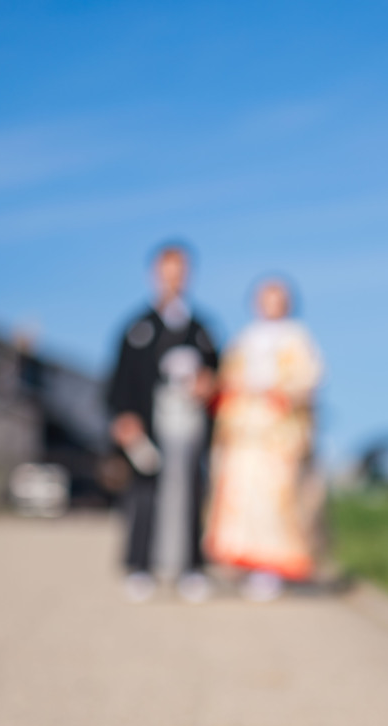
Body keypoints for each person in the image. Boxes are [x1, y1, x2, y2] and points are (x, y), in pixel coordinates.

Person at [106, 242, 219, 602]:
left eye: (180, 271)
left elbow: (217, 374)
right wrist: (124, 419)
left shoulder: (201, 330)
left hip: (188, 428)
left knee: (190, 493)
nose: (174, 279)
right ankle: (140, 566)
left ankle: (191, 567)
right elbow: (119, 380)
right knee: (144, 494)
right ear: (154, 274)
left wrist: (207, 384)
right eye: (167, 271)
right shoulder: (136, 328)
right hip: (149, 426)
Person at [204, 278, 323, 600]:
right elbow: (227, 380)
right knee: (241, 501)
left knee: (274, 503)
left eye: (277, 298)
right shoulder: (244, 340)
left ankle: (271, 567)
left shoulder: (297, 338)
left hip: (276, 432)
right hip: (245, 431)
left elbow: (307, 380)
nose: (271, 304)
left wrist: (276, 391)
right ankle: (244, 562)